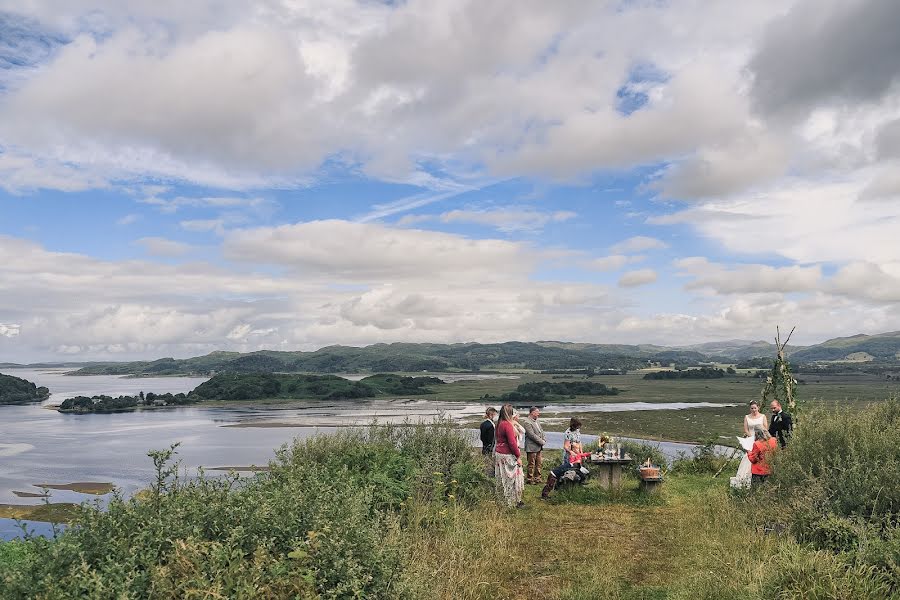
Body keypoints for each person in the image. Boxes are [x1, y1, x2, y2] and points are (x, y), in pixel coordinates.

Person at [541, 417, 583, 500]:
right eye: (578, 426)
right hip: (570, 455)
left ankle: (571, 487)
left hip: (576, 454)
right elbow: (566, 446)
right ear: (574, 425)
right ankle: (559, 489)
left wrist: (581, 452)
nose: (579, 428)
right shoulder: (568, 432)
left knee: (576, 470)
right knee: (567, 472)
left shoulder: (577, 431)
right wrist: (571, 452)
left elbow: (579, 442)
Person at [494, 404, 525, 508]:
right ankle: (513, 502)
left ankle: (503, 500)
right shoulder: (507, 424)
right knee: (512, 478)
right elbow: (512, 443)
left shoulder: (499, 423)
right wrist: (518, 456)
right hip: (508, 455)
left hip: (499, 454)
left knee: (502, 477)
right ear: (510, 413)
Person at [522, 406, 546, 485]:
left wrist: (544, 439)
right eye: (537, 412)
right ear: (532, 413)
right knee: (531, 464)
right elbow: (531, 435)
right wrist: (541, 442)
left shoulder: (537, 421)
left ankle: (537, 478)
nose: (538, 414)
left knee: (538, 463)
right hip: (531, 446)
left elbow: (541, 431)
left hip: (538, 446)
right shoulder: (527, 422)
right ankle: (529, 479)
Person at [480, 407, 498, 477]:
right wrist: (491, 447)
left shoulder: (483, 424)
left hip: (484, 446)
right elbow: (491, 439)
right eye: (495, 415)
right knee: (490, 462)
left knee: (485, 462)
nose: (495, 416)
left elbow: (482, 437)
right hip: (490, 447)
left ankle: (486, 474)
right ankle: (490, 475)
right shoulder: (490, 425)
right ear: (491, 415)